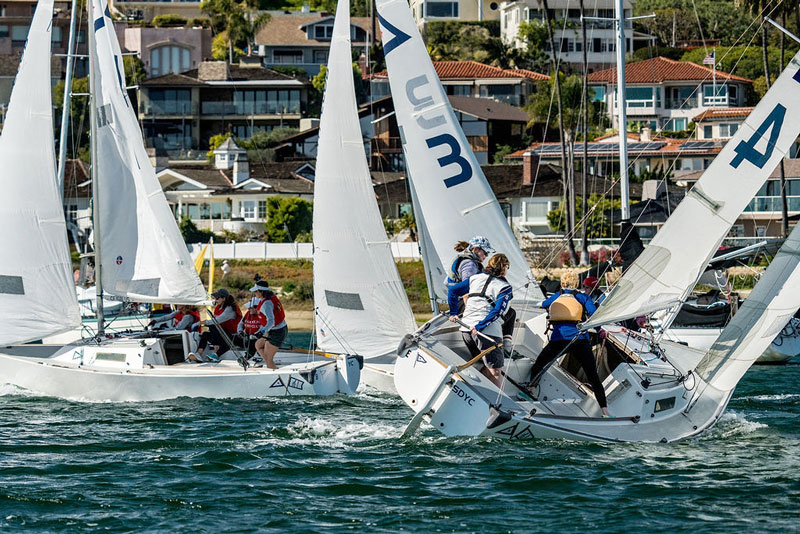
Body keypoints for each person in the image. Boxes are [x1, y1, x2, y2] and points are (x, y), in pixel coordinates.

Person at [529, 272, 610, 417]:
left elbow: (543, 304)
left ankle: (531, 390)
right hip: (579, 340)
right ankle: (605, 411)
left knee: (540, 364)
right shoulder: (582, 297)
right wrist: (599, 330)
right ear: (576, 284)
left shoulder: (557, 296)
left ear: (562, 283)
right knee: (593, 376)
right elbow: (593, 314)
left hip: (558, 339)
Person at [448, 254, 513, 387]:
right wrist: (480, 325)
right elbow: (498, 312)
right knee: (495, 372)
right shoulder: (505, 287)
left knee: (485, 364)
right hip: (487, 333)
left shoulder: (474, 278)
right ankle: (496, 405)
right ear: (505, 268)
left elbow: (453, 291)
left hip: (466, 329)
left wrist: (453, 312)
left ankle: (475, 392)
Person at [187, 288, 241, 362]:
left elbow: (216, 321)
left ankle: (216, 350)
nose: (216, 299)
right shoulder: (219, 307)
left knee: (212, 325)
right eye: (215, 298)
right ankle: (198, 354)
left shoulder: (230, 309)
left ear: (224, 298)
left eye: (217, 298)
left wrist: (200, 323)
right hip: (222, 335)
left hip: (231, 336)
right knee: (205, 334)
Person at [250, 280, 288, 369]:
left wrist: (262, 331)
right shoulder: (270, 297)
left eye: (256, 291)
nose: (254, 293)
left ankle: (272, 369)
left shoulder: (267, 304)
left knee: (268, 358)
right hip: (273, 329)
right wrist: (259, 331)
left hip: (277, 331)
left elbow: (271, 322)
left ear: (261, 291)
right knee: (258, 345)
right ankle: (270, 363)